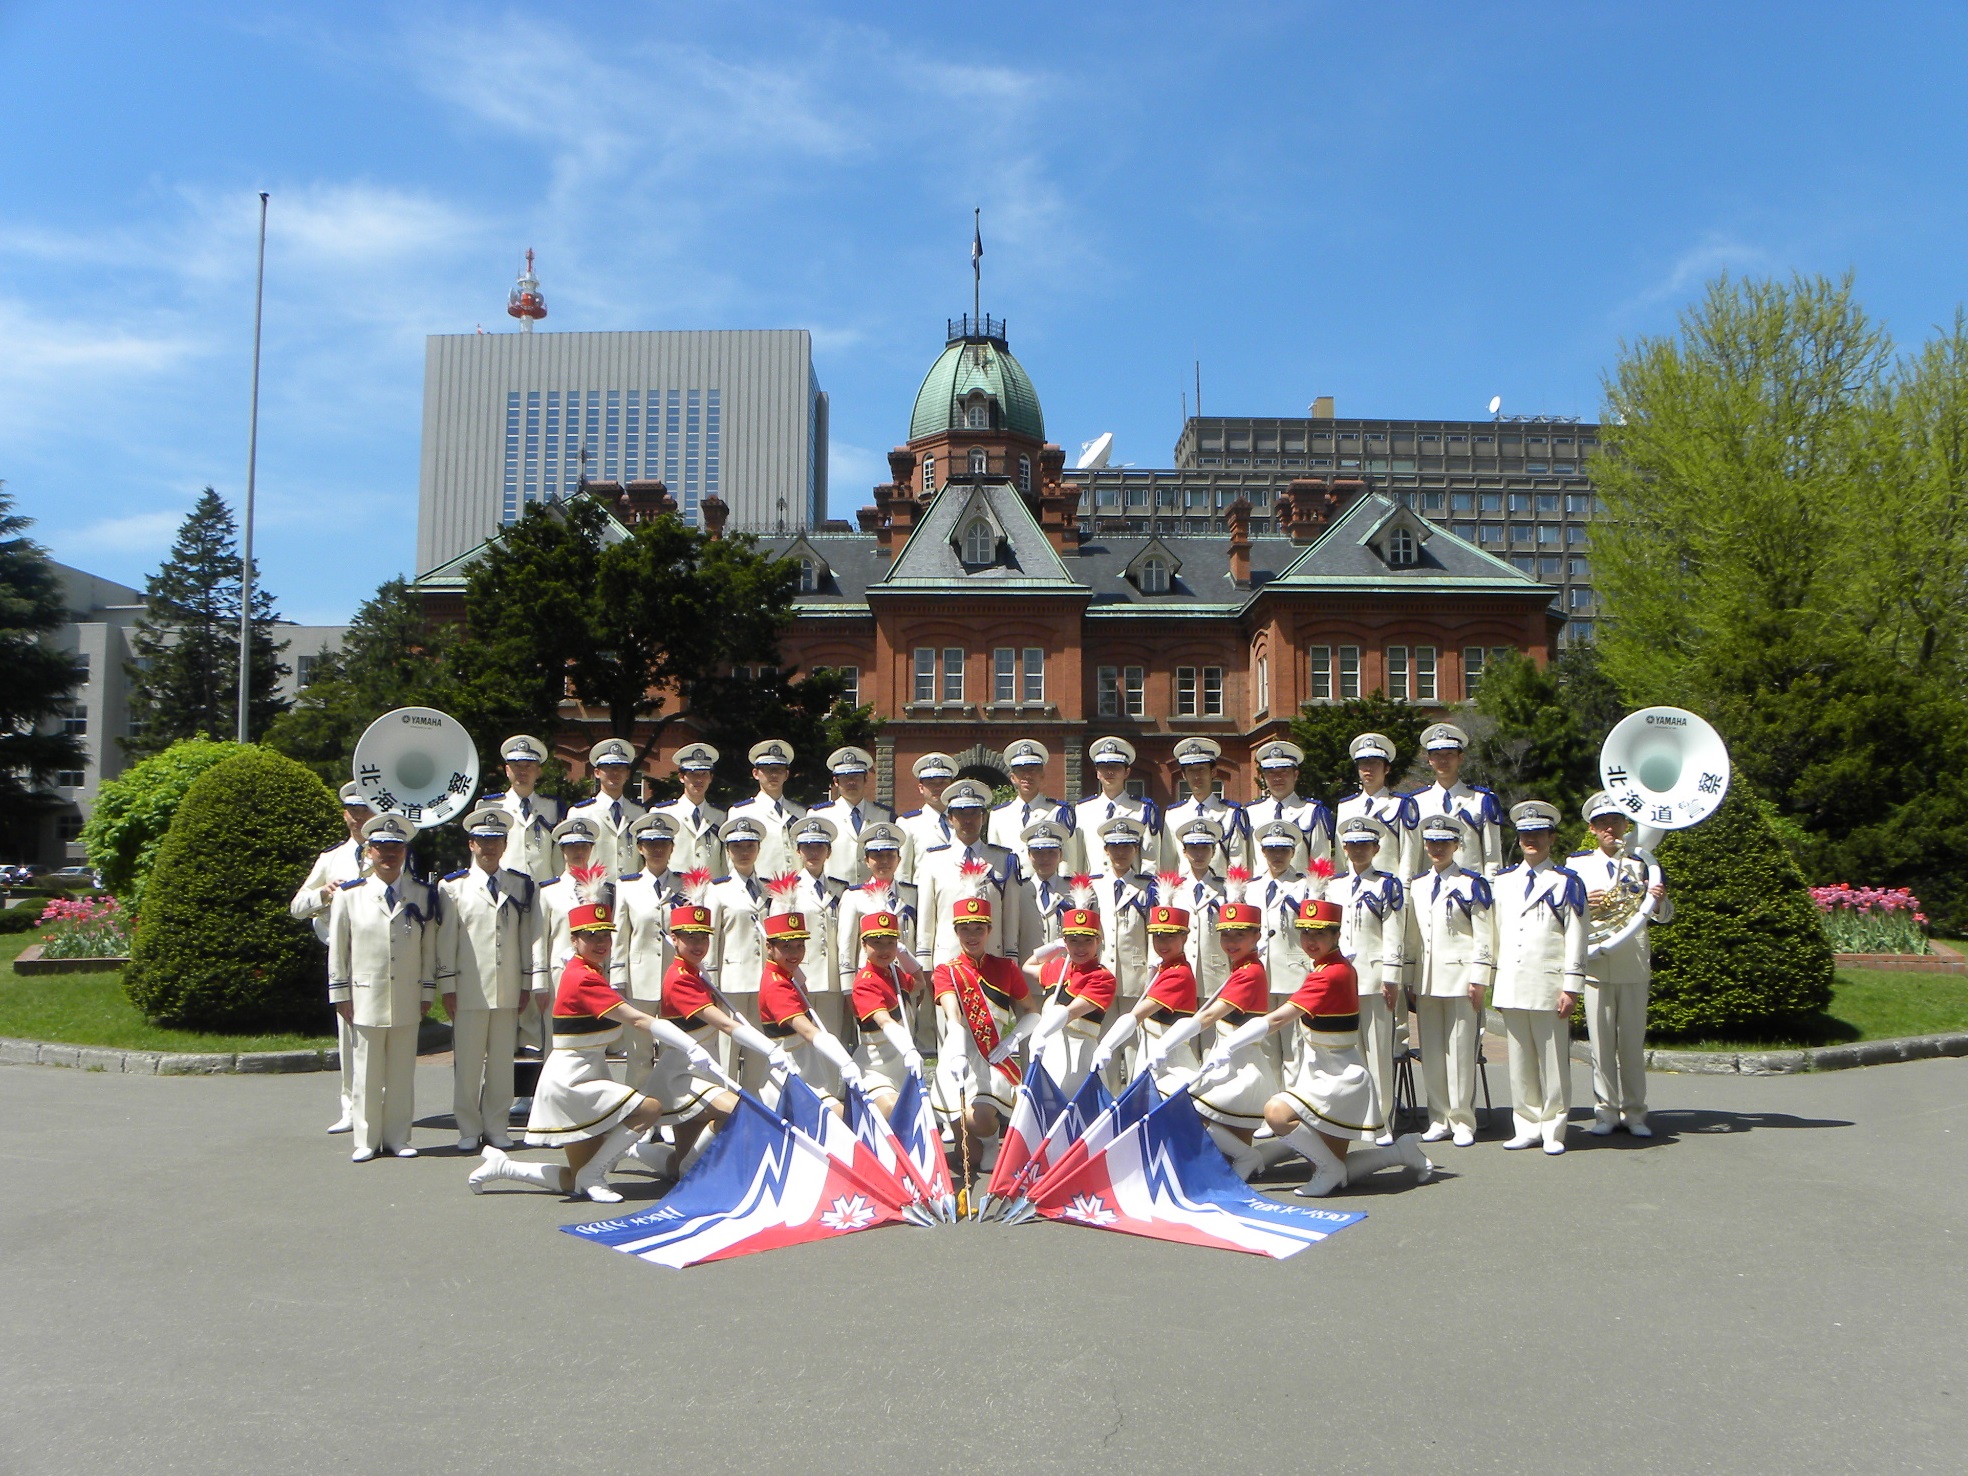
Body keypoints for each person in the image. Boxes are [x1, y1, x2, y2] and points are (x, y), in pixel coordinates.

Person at [469, 890, 723, 1202]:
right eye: (591, 936)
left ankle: (505, 1167)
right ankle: (595, 1172)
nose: (601, 942)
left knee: (573, 1180)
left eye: (605, 934)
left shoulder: (588, 971)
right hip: (571, 1079)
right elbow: (637, 1019)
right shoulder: (583, 978)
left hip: (589, 1071)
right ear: (574, 940)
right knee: (649, 1108)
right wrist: (688, 1044)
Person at [1222, 898, 1429, 1197]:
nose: (1310, 940)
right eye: (1305, 932)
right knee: (1329, 1164)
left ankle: (1329, 1167)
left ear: (1336, 935)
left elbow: (1280, 1017)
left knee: (1278, 1114)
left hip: (1337, 1078)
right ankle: (1399, 1154)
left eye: (1319, 933)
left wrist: (1230, 1044)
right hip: (1321, 1073)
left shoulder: (1330, 973)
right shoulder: (1328, 966)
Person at [642, 894, 798, 1173]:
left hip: (703, 1073)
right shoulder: (679, 978)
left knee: (684, 1163)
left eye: (703, 938)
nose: (698, 945)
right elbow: (725, 1024)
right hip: (683, 1076)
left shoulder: (694, 971)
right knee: (739, 1112)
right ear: (674, 939)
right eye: (690, 939)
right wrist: (769, 1048)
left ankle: (645, 1155)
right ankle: (683, 1175)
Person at [1137, 885, 1279, 1179]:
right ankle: (1243, 1156)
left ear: (1256, 936)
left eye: (1240, 935)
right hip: (1228, 1062)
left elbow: (1211, 1015)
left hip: (1242, 1066)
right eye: (1226, 935)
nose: (1230, 942)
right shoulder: (1241, 967)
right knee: (1194, 1113)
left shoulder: (1250, 972)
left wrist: (1168, 1042)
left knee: (1186, 1107)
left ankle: (1247, 1156)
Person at [327, 813, 438, 1163]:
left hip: (406, 994)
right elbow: (338, 951)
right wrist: (340, 994)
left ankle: (398, 1136)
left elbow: (428, 949)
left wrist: (426, 993)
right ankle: (366, 1137)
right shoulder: (350, 896)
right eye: (380, 848)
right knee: (367, 1073)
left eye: (395, 848)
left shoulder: (421, 895)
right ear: (369, 852)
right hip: (364, 996)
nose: (388, 854)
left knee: (402, 1072)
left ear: (404, 851)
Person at [435, 807, 542, 1152]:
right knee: (467, 1063)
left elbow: (526, 937)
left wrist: (526, 981)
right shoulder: (453, 888)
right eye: (483, 840)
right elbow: (446, 941)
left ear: (505, 843)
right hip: (468, 988)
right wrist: (447, 986)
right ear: (471, 844)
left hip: (508, 987)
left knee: (500, 1064)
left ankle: (496, 1126)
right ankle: (468, 1127)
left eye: (496, 840)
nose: (490, 847)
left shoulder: (519, 885)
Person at [1573, 790, 1673, 1137]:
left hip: (1632, 962)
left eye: (1615, 821)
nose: (1610, 829)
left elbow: (1665, 916)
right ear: (1592, 828)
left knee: (1631, 1043)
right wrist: (1584, 904)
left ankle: (1635, 1113)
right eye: (1603, 823)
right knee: (1600, 1044)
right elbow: (1567, 916)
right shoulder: (1577, 865)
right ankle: (1605, 1113)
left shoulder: (1642, 861)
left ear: (1625, 824)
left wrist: (1657, 901)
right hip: (1597, 963)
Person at [1492, 800, 1588, 1155]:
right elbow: (1495, 934)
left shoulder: (1566, 882)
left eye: (1539, 834)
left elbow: (1577, 937)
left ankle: (1554, 1127)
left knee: (1553, 1063)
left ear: (1551, 837)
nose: (1532, 840)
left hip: (1549, 984)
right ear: (1518, 839)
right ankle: (1526, 1124)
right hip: (1513, 981)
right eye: (1526, 835)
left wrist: (1572, 986)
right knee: (1519, 1061)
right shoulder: (1503, 882)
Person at [931, 889, 1039, 1176]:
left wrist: (1014, 1038)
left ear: (990, 930)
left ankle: (993, 1142)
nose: (972, 936)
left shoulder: (1006, 968)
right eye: (964, 929)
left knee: (978, 1120)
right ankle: (980, 1146)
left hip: (992, 1058)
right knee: (968, 1158)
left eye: (979, 929)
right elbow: (952, 1014)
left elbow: (1032, 1011)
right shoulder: (946, 971)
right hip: (957, 1058)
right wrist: (955, 1047)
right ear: (956, 932)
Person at [1404, 812, 1495, 1147]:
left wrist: (1480, 977)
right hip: (1427, 979)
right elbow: (1413, 937)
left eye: (1444, 842)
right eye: (1432, 842)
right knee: (1432, 1051)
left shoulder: (1472, 883)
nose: (1437, 848)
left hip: (1461, 977)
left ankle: (1462, 1120)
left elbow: (1485, 936)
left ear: (1457, 845)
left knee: (1460, 1051)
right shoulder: (1419, 884)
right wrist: (1410, 977)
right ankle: (1438, 1116)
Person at [290, 780, 374, 1134]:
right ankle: (350, 1107)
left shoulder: (391, 852)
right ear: (345, 816)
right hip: (342, 954)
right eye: (353, 812)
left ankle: (379, 1105)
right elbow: (296, 907)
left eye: (365, 810)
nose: (359, 818)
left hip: (380, 953)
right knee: (348, 1032)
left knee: (381, 1033)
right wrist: (323, 894)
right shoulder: (330, 859)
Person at [1334, 814, 1408, 1145]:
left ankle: (1382, 1122)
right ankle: (1354, 1119)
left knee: (1378, 1053)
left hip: (1375, 977)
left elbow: (1394, 933)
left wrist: (1391, 977)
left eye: (1365, 845)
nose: (1358, 851)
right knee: (1347, 1054)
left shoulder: (1386, 885)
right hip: (1339, 981)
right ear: (1344, 848)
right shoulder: (1332, 885)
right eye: (1352, 845)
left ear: (1376, 848)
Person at [755, 897, 862, 1114]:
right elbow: (808, 1031)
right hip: (791, 1075)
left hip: (806, 1068)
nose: (795, 953)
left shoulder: (787, 976)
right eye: (786, 947)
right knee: (840, 1118)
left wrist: (795, 972)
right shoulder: (777, 985)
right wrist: (844, 1060)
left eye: (799, 946)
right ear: (769, 947)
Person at [1005, 901, 1117, 1097]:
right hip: (1049, 1053)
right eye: (1073, 941)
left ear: (1098, 942)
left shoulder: (1102, 977)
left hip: (1079, 1057)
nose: (1080, 948)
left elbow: (1071, 1012)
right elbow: (1028, 966)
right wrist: (1054, 946)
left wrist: (1040, 1032)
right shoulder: (1058, 967)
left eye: (1087, 941)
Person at [1089, 903, 1200, 1090]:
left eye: (1170, 937)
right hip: (1151, 1056)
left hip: (1170, 1064)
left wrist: (1108, 1044)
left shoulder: (1178, 974)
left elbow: (1137, 1015)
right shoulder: (1163, 969)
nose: (1162, 943)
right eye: (1157, 937)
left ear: (1184, 937)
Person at [915, 779, 1024, 968]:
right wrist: (925, 963)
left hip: (992, 960)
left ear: (984, 817)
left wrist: (1011, 960)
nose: (967, 820)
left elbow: (1010, 917)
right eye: (960, 814)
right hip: (948, 961)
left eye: (974, 813)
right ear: (950, 818)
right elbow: (926, 918)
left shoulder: (1003, 860)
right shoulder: (933, 861)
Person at [611, 813, 685, 1083]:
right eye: (650, 844)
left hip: (674, 982)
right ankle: (638, 1114)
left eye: (663, 844)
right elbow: (620, 936)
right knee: (638, 1054)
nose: (657, 849)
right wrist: (618, 979)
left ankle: (668, 1114)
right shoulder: (627, 886)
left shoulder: (684, 886)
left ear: (672, 848)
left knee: (672, 1052)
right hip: (638, 979)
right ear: (640, 848)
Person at [705, 815, 774, 1088]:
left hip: (764, 982)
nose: (744, 852)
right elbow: (711, 937)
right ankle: (727, 1108)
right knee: (728, 1050)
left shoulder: (769, 889)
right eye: (737, 847)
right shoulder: (718, 890)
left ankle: (756, 1107)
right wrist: (710, 981)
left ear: (758, 849)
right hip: (730, 981)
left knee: (760, 1049)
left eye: (749, 846)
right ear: (728, 851)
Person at [848, 909, 927, 1122]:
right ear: (864, 945)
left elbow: (919, 983)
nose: (884, 950)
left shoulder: (893, 972)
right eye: (877, 943)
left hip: (902, 1068)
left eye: (890, 943)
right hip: (875, 1070)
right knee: (894, 1111)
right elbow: (884, 1020)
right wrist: (909, 1048)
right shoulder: (866, 981)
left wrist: (904, 954)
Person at [834, 822, 922, 993]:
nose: (884, 861)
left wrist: (918, 983)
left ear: (899, 859)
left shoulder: (911, 894)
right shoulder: (854, 896)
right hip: (869, 984)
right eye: (877, 855)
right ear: (866, 860)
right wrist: (848, 990)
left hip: (905, 981)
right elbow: (846, 945)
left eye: (890, 855)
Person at [1408, 723, 1503, 877]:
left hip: (1470, 892)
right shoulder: (1416, 802)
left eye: (1449, 754)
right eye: (1437, 755)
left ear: (1460, 758)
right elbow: (1413, 857)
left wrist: (1489, 894)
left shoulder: (1481, 800)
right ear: (1430, 759)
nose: (1443, 760)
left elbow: (1492, 856)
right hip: (1430, 891)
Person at [1088, 816, 1155, 1030]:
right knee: (1104, 1044)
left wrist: (1153, 973)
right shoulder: (1093, 887)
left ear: (1136, 850)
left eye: (1127, 847)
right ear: (1106, 850)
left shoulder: (1147, 888)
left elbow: (1153, 934)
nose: (1121, 853)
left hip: (1136, 975)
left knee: (1134, 1044)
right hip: (1101, 975)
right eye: (1115, 847)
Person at [1074, 736, 1170, 873]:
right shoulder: (1083, 811)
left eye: (1115, 767)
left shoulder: (1142, 810)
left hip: (1132, 890)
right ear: (1097, 772)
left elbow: (1150, 860)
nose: (1110, 772)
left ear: (1127, 772)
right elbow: (1078, 859)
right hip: (1094, 889)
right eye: (1104, 767)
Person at [788, 815, 847, 1037]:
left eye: (819, 848)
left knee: (832, 1039)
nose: (813, 853)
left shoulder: (840, 889)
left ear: (828, 852)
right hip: (801, 974)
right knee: (801, 1041)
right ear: (799, 852)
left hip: (831, 977)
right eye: (807, 848)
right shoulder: (788, 889)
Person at [1333, 733, 1421, 880]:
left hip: (1388, 888)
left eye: (1375, 763)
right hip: (1353, 887)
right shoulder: (1346, 806)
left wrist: (1405, 891)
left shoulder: (1401, 805)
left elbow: (1408, 853)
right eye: (1363, 763)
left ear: (1386, 769)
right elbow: (1341, 857)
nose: (1368, 769)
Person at [478, 734, 564, 883]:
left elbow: (559, 855)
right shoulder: (490, 806)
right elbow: (479, 853)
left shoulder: (552, 806)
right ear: (507, 770)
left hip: (542, 888)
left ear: (538, 771)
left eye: (529, 765)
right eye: (516, 765)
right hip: (505, 888)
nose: (522, 771)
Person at [807, 746, 893, 888]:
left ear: (866, 779)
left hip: (873, 892)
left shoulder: (884, 814)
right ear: (836, 781)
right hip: (833, 892)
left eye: (856, 776)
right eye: (845, 777)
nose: (851, 782)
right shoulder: (819, 815)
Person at [1165, 737, 1252, 875]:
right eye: (1191, 771)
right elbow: (1168, 863)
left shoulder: (1231, 813)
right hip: (1184, 892)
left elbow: (1238, 861)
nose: (1197, 776)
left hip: (1220, 891)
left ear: (1213, 772)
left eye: (1201, 769)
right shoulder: (1173, 815)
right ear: (1184, 775)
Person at [991, 740, 1079, 876]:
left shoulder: (1058, 812)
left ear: (1042, 775)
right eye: (1021, 770)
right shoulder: (998, 815)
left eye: (1033, 770)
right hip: (1011, 890)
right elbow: (995, 861)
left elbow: (1067, 860)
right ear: (1013, 777)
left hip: (1048, 889)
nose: (1027, 776)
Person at [1247, 739, 1336, 874]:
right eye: (1271, 772)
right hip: (1258, 892)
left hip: (1300, 891)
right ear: (1264, 776)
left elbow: (1320, 861)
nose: (1277, 778)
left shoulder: (1312, 811)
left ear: (1295, 775)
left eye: (1284, 771)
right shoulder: (1250, 812)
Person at [566, 738, 646, 881]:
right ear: (597, 772)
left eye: (620, 768)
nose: (615, 773)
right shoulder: (581, 813)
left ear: (627, 774)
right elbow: (571, 860)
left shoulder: (639, 813)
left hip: (631, 890)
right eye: (608, 767)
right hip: (596, 890)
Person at [725, 739, 806, 879]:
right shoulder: (741, 812)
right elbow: (733, 860)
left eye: (779, 770)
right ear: (756, 773)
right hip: (762, 890)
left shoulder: (800, 812)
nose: (773, 775)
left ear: (786, 775)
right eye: (768, 769)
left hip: (797, 889)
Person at [1171, 816, 1229, 997]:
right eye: (1193, 848)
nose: (1199, 854)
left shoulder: (1227, 889)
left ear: (1213, 852)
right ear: (1184, 851)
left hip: (1215, 972)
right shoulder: (1173, 888)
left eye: (1205, 848)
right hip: (1180, 971)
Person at [651, 741, 726, 879]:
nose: (699, 779)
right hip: (674, 890)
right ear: (681, 777)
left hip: (711, 890)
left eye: (704, 774)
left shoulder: (720, 816)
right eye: (693, 774)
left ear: (711, 778)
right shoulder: (663, 814)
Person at [1009, 819, 1072, 959]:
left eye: (1051, 852)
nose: (1045, 858)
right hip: (1027, 972)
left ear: (1061, 855)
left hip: (1063, 973)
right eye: (1038, 852)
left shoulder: (1073, 891)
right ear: (1029, 855)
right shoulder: (1018, 890)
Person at [894, 752, 959, 882]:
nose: (937, 787)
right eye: (930, 782)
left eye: (942, 782)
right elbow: (903, 873)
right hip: (924, 897)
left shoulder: (963, 820)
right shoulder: (908, 824)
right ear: (921, 788)